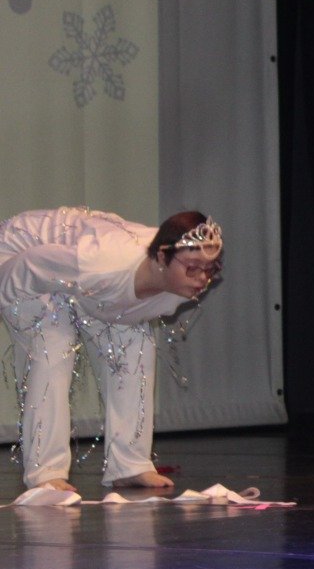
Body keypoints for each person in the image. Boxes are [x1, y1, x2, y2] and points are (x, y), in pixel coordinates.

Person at [0, 207, 222, 493]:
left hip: (91, 283)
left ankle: (129, 465)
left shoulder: (177, 276)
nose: (202, 278)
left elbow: (119, 303)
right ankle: (45, 472)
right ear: (162, 257)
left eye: (210, 268)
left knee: (134, 346)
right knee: (53, 346)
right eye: (193, 268)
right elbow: (30, 265)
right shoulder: (101, 264)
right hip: (22, 254)